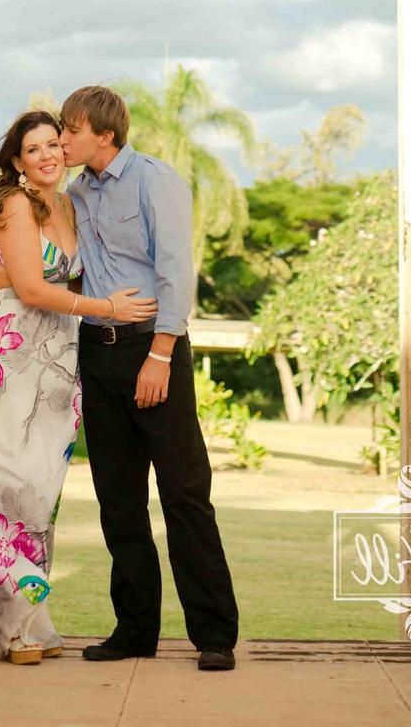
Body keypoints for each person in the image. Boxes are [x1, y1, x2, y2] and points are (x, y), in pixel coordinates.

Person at [0, 108, 156, 664]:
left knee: (40, 494)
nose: (46, 155)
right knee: (7, 487)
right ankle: (12, 631)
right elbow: (31, 288)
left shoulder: (70, 205)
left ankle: (34, 623)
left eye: (52, 144)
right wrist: (106, 308)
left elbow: (55, 273)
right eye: (33, 149)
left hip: (61, 361)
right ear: (17, 162)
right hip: (14, 354)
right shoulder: (13, 203)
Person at [60, 85, 239, 672]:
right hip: (99, 352)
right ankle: (134, 631)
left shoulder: (154, 180)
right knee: (119, 499)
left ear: (104, 134)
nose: (63, 139)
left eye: (72, 129)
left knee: (184, 492)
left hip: (153, 349)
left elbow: (176, 268)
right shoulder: (76, 192)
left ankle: (214, 637)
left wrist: (161, 352)